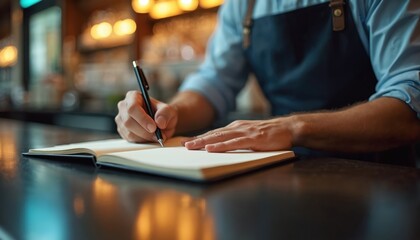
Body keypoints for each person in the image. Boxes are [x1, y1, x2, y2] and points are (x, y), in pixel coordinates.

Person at [115, 0, 420, 163]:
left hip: (377, 174)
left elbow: (408, 107)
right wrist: (171, 113)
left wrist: (291, 127)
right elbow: (213, 84)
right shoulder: (243, 5)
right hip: (285, 170)